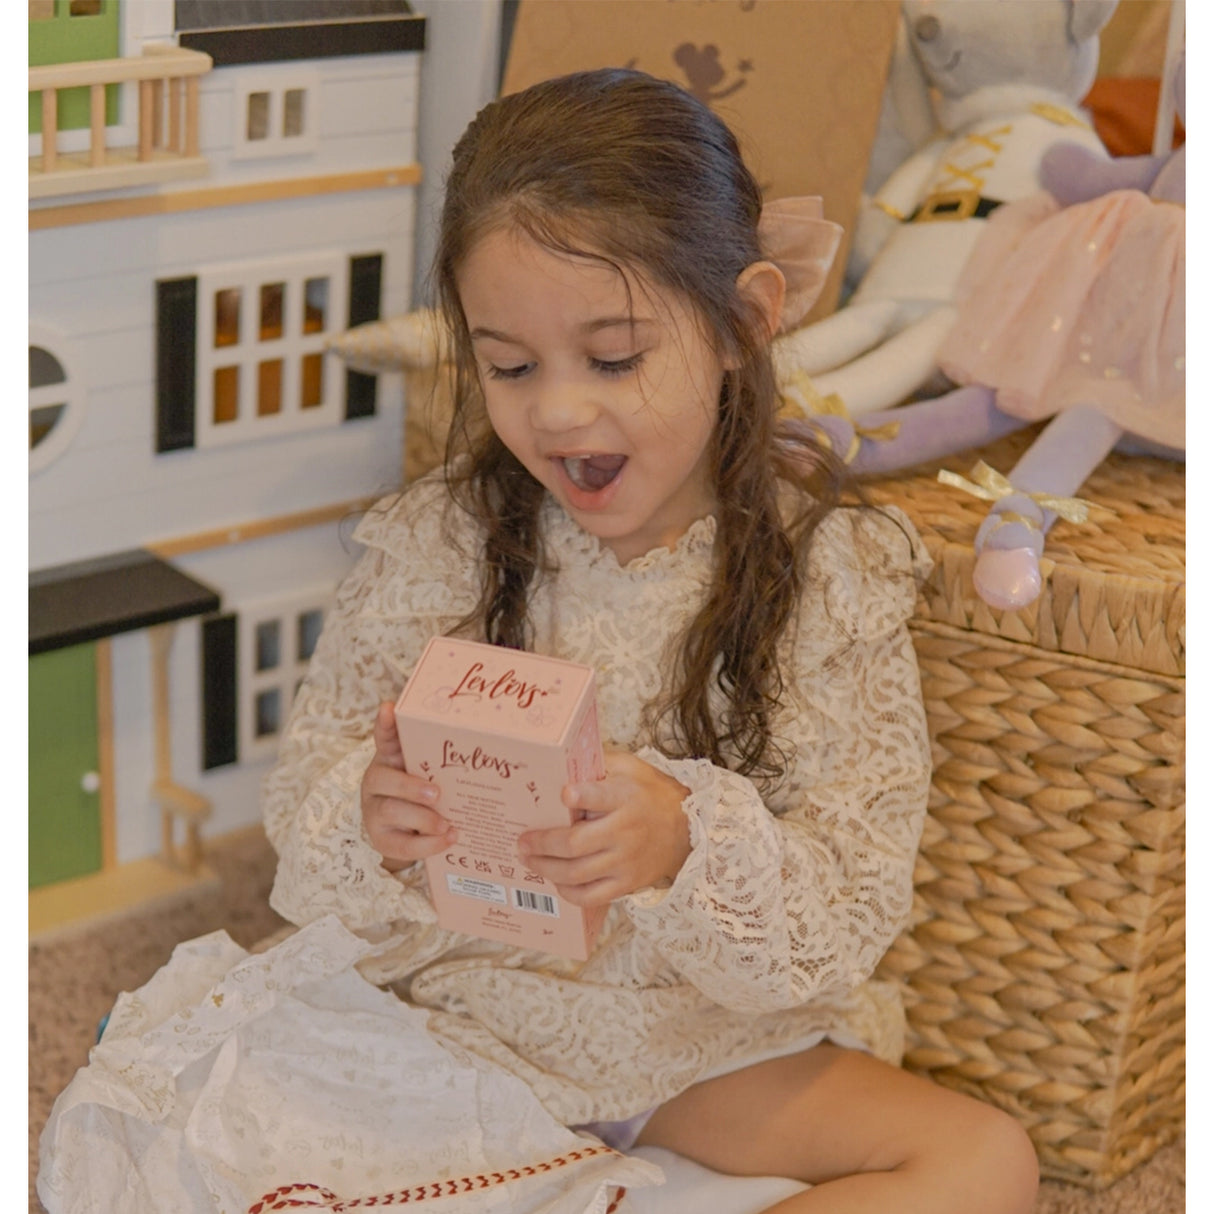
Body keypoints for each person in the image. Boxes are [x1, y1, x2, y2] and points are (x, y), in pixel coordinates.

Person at [262, 68, 1040, 1213]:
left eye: (614, 356)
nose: (556, 411)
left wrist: (686, 842)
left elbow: (850, 902)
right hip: (457, 1017)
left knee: (985, 1159)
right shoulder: (438, 545)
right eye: (509, 366)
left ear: (740, 323)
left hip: (701, 1042)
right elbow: (300, 810)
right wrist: (370, 820)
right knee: (215, 1115)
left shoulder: (828, 576)